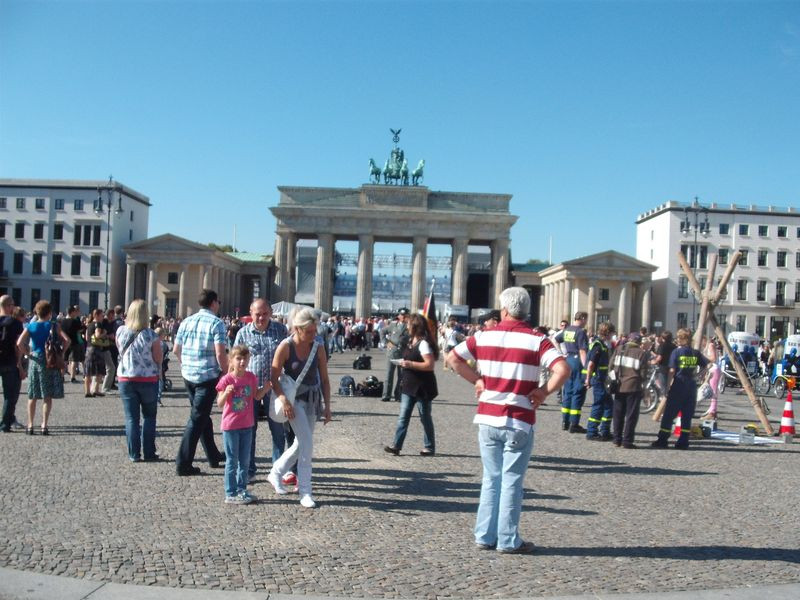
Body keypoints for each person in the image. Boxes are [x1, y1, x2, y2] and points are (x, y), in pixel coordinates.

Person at [447, 287, 570, 554]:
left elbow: (453, 359)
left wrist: (476, 380)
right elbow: (563, 369)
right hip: (519, 418)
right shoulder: (538, 340)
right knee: (512, 480)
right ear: (526, 312)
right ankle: (507, 539)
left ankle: (484, 534)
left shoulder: (483, 336)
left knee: (491, 478)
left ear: (504, 310)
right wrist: (543, 391)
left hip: (488, 417)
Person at [268, 307, 332, 508]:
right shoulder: (286, 346)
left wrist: (327, 406)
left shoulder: (318, 346)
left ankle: (275, 472)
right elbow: (273, 377)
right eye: (310, 332)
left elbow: (325, 379)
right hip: (293, 400)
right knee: (307, 444)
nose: (314, 335)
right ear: (297, 329)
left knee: (300, 443)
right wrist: (284, 400)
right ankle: (305, 491)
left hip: (312, 399)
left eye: (315, 331)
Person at [173, 289, 228, 476]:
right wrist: (226, 373)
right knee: (197, 419)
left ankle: (213, 455)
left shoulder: (186, 321)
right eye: (218, 301)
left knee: (202, 416)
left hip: (188, 375)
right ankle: (183, 462)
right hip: (207, 376)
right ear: (213, 303)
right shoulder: (217, 323)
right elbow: (220, 353)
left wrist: (185, 364)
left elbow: (176, 349)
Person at [233, 298, 288, 482]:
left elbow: (288, 357)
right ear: (251, 313)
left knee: (278, 429)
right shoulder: (242, 333)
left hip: (275, 387)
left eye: (265, 314)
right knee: (249, 429)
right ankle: (249, 469)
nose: (261, 318)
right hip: (250, 389)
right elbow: (235, 361)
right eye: (258, 314)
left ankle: (278, 469)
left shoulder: (280, 330)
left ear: (270, 313)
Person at [216, 345, 269, 504]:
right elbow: (219, 403)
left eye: (245, 358)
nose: (242, 361)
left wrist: (265, 388)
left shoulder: (251, 377)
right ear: (231, 361)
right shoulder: (226, 379)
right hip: (231, 426)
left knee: (244, 460)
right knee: (232, 461)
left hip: (247, 425)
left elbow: (256, 396)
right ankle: (230, 492)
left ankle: (242, 489)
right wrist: (226, 393)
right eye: (238, 358)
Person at [384, 313, 439, 456]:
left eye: (408, 324)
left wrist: (409, 364)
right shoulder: (410, 341)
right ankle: (396, 445)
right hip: (408, 385)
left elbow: (430, 365)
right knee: (403, 417)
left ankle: (429, 446)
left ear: (415, 326)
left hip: (422, 387)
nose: (406, 326)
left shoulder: (424, 343)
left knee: (425, 417)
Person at [116, 299, 163, 462]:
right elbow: (158, 358)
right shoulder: (151, 335)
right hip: (148, 379)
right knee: (149, 417)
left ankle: (134, 454)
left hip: (126, 378)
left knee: (131, 418)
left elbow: (120, 350)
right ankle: (149, 452)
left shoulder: (121, 331)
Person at [16, 300, 70, 435]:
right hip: (49, 360)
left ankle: (29, 425)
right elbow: (67, 340)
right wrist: (61, 353)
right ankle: (44, 425)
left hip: (35, 360)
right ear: (49, 313)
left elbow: (19, 343)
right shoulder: (54, 325)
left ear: (37, 312)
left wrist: (28, 353)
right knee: (47, 395)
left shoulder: (31, 326)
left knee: (32, 394)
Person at [651, 328, 708, 449]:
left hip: (678, 384)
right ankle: (683, 441)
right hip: (691, 386)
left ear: (680, 339)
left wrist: (667, 387)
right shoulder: (695, 352)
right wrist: (697, 375)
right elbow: (708, 365)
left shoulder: (676, 352)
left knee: (669, 414)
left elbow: (671, 370)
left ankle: (663, 440)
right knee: (687, 415)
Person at [610, 332, 649, 448]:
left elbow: (611, 366)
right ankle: (627, 441)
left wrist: (614, 379)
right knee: (631, 415)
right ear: (638, 342)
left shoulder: (619, 349)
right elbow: (643, 373)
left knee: (618, 413)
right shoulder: (641, 353)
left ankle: (616, 439)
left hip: (618, 385)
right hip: (633, 386)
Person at [554, 311, 589, 433]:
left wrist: (561, 353)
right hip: (577, 361)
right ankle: (575, 423)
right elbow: (582, 351)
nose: (586, 323)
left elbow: (556, 339)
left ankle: (565, 421)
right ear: (583, 318)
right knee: (578, 391)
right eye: (586, 320)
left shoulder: (567, 329)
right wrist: (586, 367)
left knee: (567, 392)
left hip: (568, 360)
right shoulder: (580, 332)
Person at [584, 321, 615, 441]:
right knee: (599, 405)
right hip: (598, 379)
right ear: (607, 332)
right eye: (612, 333)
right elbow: (591, 364)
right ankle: (591, 431)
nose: (613, 335)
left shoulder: (604, 344)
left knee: (609, 405)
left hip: (604, 379)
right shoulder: (598, 345)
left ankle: (605, 430)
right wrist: (588, 379)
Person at [0, 295, 25, 433]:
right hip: (9, 361)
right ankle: (5, 424)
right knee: (10, 395)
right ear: (9, 306)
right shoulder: (15, 323)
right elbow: (18, 346)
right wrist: (20, 365)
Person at [381, 308, 410, 402]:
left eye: (405, 315)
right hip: (391, 353)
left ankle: (399, 395)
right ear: (399, 316)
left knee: (401, 376)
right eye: (402, 315)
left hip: (403, 353)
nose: (403, 317)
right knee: (389, 375)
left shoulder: (410, 327)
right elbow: (382, 331)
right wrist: (386, 343)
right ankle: (386, 395)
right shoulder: (393, 325)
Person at [84, 309, 109, 398]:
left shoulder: (89, 324)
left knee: (88, 371)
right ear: (97, 315)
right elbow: (97, 335)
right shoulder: (97, 324)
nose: (103, 317)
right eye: (102, 315)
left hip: (88, 348)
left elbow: (87, 338)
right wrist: (105, 333)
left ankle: (87, 391)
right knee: (98, 370)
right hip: (96, 349)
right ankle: (96, 389)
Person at [61, 305, 85, 384]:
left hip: (65, 342)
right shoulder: (74, 321)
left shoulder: (63, 321)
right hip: (74, 342)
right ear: (72, 312)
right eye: (74, 312)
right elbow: (80, 329)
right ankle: (72, 377)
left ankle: (62, 376)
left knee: (65, 360)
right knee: (74, 360)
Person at [699, 336, 721, 420]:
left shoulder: (710, 345)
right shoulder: (706, 347)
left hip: (714, 369)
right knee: (712, 391)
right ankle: (711, 410)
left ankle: (712, 412)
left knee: (713, 391)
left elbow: (713, 358)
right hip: (711, 369)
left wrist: (703, 358)